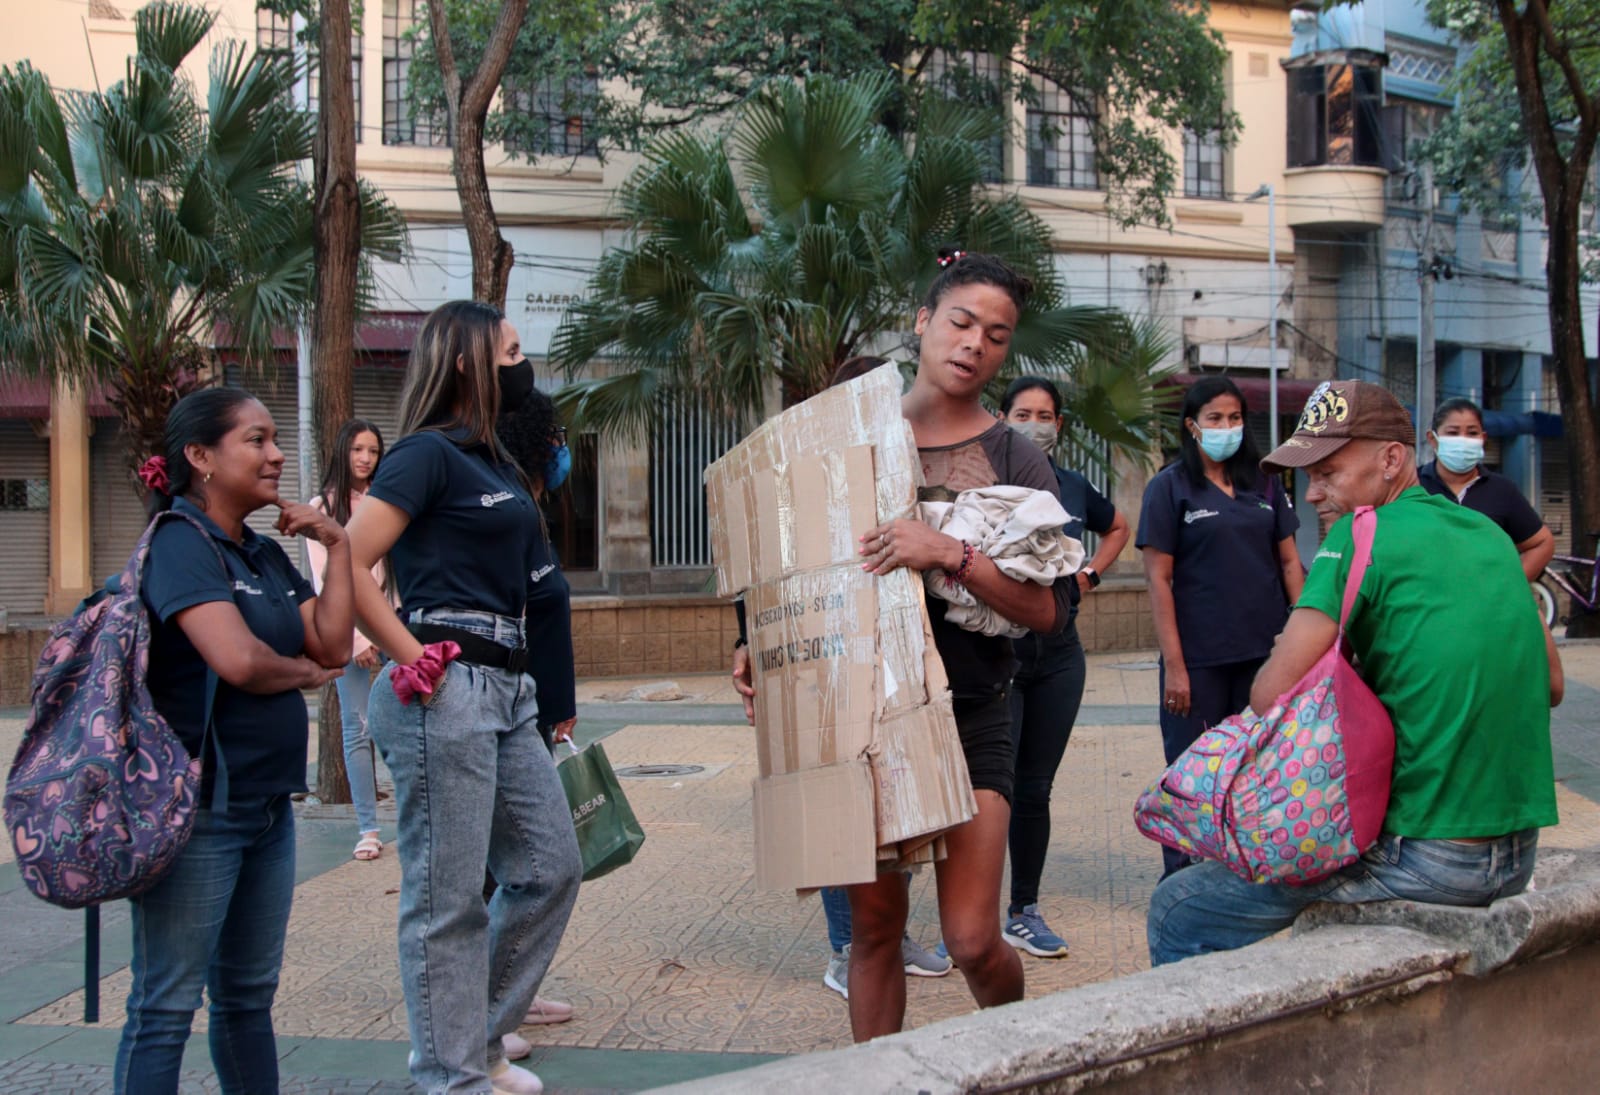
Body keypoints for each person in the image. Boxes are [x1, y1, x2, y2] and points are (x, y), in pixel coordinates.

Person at [1146, 379, 1563, 966]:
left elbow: (1269, 694)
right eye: (1308, 477)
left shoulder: (1359, 533)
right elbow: (1553, 685)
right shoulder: (1492, 536)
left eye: (1328, 473)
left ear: (1391, 460)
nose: (1314, 494)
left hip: (1429, 856)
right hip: (1516, 854)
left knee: (1177, 906)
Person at [346, 300, 581, 1095]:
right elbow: (351, 560)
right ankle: (450, 1075)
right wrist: (413, 657)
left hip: (510, 686)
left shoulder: (495, 462)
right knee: (446, 900)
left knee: (550, 868)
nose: (523, 365)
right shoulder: (424, 455)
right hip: (446, 685)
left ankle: (474, 1040)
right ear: (465, 360)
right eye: (510, 352)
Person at [850, 250, 1074, 1040]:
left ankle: (1012, 1059)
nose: (976, 343)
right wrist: (754, 643)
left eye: (997, 335)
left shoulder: (1016, 457)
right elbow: (792, 547)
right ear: (923, 320)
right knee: (876, 930)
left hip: (974, 707)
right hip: (865, 716)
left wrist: (950, 552)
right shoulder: (853, 432)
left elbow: (1050, 611)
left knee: (973, 938)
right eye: (961, 321)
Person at [115, 388, 352, 1095]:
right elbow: (240, 660)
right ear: (200, 456)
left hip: (268, 807)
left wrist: (337, 545)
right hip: (198, 813)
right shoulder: (180, 544)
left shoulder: (260, 552)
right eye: (256, 440)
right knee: (165, 1005)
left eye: (274, 439)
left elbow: (334, 643)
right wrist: (305, 674)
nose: (276, 455)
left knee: (248, 997)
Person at [730, 355, 953, 999]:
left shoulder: (907, 467)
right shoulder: (802, 473)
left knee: (893, 807)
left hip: (895, 664)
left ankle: (884, 936)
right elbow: (765, 574)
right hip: (826, 669)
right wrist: (747, 641)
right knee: (841, 808)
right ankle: (847, 948)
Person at [1136, 376, 1303, 877]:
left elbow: (1290, 564)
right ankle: (1181, 877)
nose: (1227, 427)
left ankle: (1245, 872)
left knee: (1257, 768)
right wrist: (1176, 667)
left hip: (1264, 657)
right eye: (1215, 418)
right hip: (1199, 659)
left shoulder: (1265, 483)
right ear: (1192, 426)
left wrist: (1303, 641)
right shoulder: (1169, 488)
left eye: (1234, 418)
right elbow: (1159, 580)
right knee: (1191, 772)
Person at [998, 376, 1131, 956]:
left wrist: (1089, 575)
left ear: (1060, 425)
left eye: (1045, 416)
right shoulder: (984, 486)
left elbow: (1119, 526)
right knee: (989, 790)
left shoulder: (1072, 486)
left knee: (1035, 788)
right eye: (1023, 414)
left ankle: (1023, 910)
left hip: (1059, 657)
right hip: (997, 655)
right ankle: (967, 920)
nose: (1035, 425)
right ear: (1000, 419)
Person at [492, 385, 579, 1053]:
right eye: (553, 435)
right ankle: (483, 1011)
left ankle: (511, 991)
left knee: (538, 864)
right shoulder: (503, 509)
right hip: (499, 709)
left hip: (534, 713)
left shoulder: (532, 510)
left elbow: (551, 620)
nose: (561, 448)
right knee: (504, 868)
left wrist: (561, 708)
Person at [306, 418, 392, 861]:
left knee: (407, 721)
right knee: (357, 728)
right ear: (343, 451)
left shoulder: (386, 501)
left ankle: (415, 814)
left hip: (394, 624)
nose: (365, 458)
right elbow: (326, 580)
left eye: (373, 451)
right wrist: (358, 639)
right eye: (358, 449)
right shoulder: (321, 508)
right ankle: (368, 828)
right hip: (348, 632)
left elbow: (394, 570)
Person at [1418, 396, 1555, 582]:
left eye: (1472, 433)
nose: (1463, 440)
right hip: (1425, 596)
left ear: (1483, 438)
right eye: (1453, 433)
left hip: (1484, 598)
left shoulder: (1502, 490)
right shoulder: (1413, 485)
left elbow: (1541, 543)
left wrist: (1511, 588)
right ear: (1433, 439)